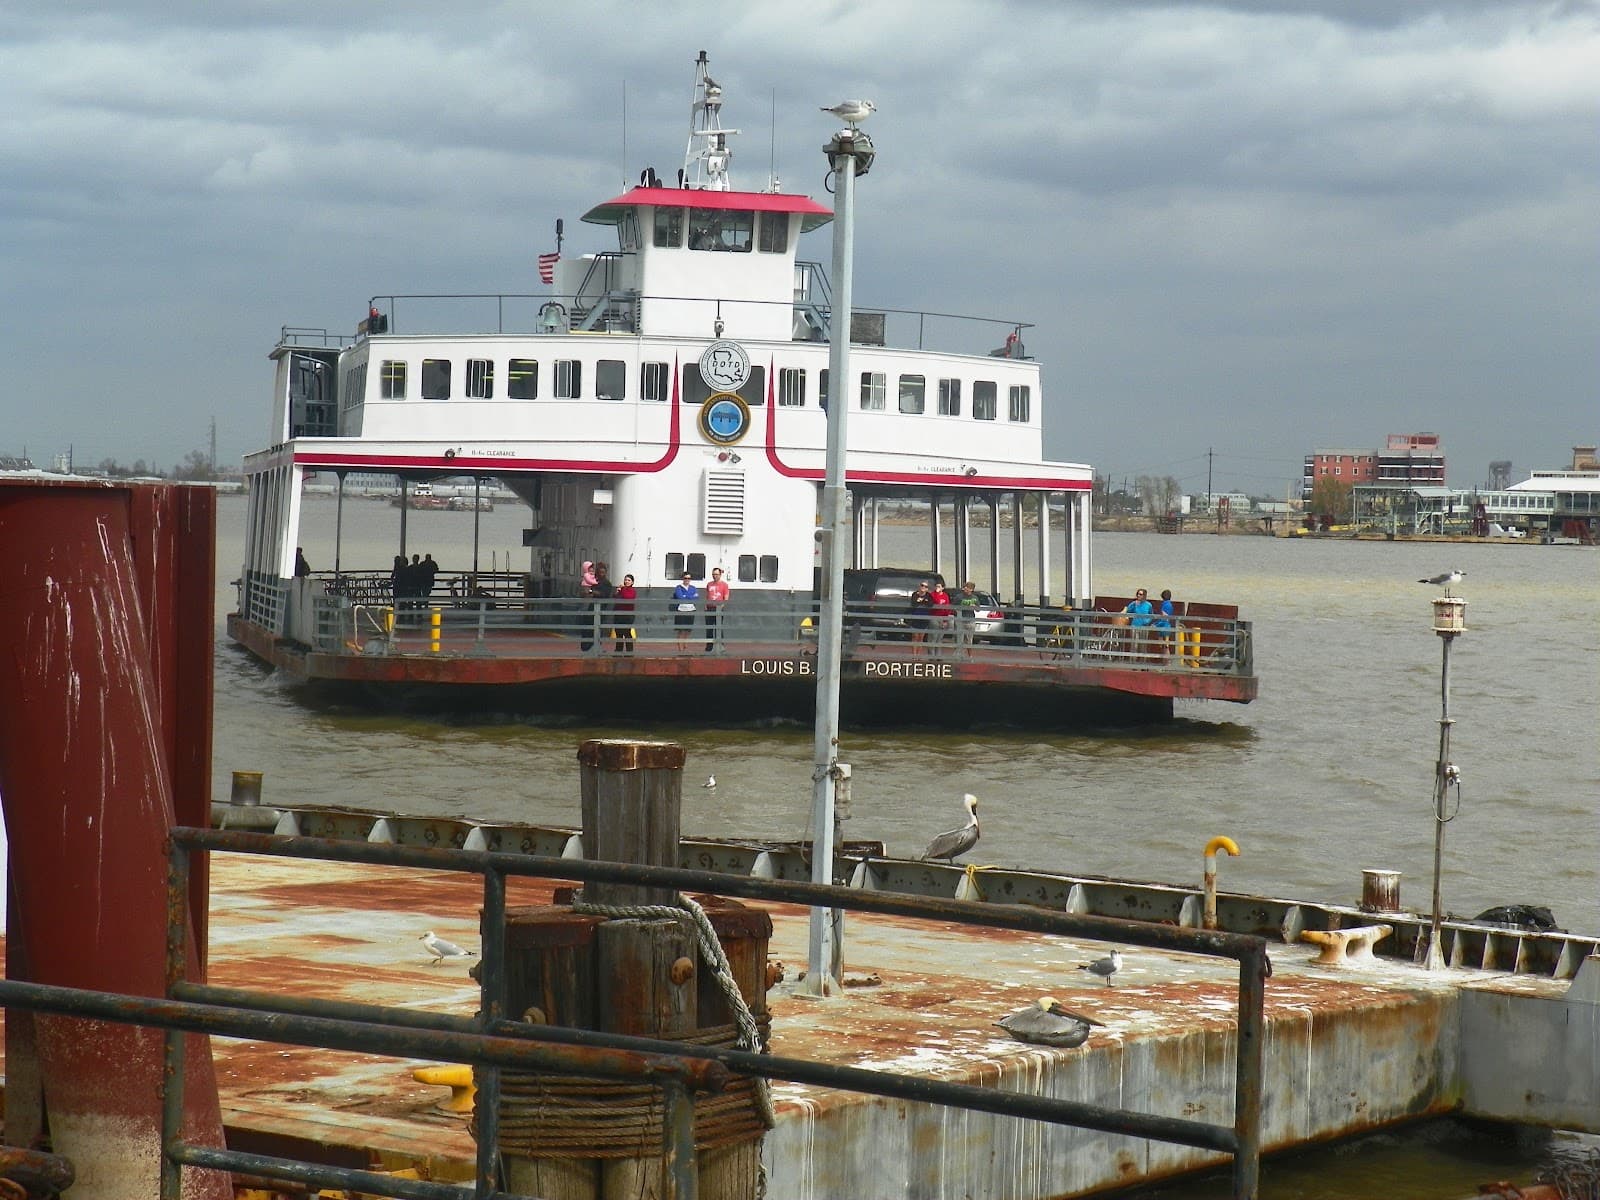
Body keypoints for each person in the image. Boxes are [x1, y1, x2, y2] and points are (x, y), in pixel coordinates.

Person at [583, 562, 615, 651]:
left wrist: (592, 592)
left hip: (601, 608)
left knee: (597, 627)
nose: (601, 574)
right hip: (593, 607)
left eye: (602, 572)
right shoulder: (594, 581)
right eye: (600, 572)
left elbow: (605, 594)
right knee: (591, 627)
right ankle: (590, 646)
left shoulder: (606, 583)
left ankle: (595, 646)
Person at [703, 566, 730, 652]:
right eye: (713, 574)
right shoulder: (709, 584)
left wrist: (721, 606)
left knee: (719, 628)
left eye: (716, 574)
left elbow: (726, 597)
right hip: (709, 608)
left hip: (718, 608)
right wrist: (705, 605)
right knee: (709, 628)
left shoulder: (724, 585)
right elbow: (707, 595)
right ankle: (709, 647)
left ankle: (721, 646)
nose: (715, 576)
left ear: (720, 574)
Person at [671, 572, 698, 651]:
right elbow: (680, 598)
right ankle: (680, 647)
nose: (687, 580)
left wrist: (686, 596)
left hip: (691, 610)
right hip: (681, 610)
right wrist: (690, 596)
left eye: (689, 578)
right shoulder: (678, 587)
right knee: (681, 630)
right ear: (683, 579)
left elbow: (696, 597)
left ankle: (685, 644)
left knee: (688, 630)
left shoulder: (693, 588)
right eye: (685, 578)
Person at [1122, 588, 1154, 656]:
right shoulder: (1134, 603)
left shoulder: (1149, 605)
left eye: (1141, 594)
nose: (1139, 596)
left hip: (1144, 627)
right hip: (1135, 626)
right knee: (1134, 645)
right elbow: (1128, 610)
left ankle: (1142, 661)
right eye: (1138, 594)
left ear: (1144, 596)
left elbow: (1151, 615)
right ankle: (1133, 660)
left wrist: (1147, 621)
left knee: (1143, 646)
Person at [955, 581, 981, 658]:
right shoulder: (959, 597)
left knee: (969, 640)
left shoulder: (975, 598)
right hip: (961, 620)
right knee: (960, 639)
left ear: (971, 589)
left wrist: (974, 607)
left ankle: (970, 656)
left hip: (971, 620)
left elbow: (978, 609)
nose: (966, 589)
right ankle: (959, 655)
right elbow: (953, 606)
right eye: (965, 587)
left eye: (968, 588)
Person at [907, 581, 934, 654]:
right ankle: (914, 655)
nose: (923, 587)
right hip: (915, 617)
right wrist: (922, 601)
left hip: (924, 618)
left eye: (925, 586)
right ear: (919, 586)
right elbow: (914, 603)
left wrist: (922, 601)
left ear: (927, 588)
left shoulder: (929, 595)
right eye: (922, 585)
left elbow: (930, 604)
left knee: (921, 637)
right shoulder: (915, 594)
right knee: (915, 636)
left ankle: (918, 654)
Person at [929, 580, 955, 654]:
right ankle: (931, 655)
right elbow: (936, 602)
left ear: (942, 588)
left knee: (939, 638)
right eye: (936, 586)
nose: (937, 588)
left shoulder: (945, 596)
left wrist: (945, 620)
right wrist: (937, 593)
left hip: (943, 618)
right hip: (934, 617)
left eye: (939, 586)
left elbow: (947, 608)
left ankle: (938, 655)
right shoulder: (932, 594)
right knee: (933, 637)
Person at [614, 573, 637, 653]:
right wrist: (616, 592)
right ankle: (618, 650)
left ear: (632, 582)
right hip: (618, 614)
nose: (626, 581)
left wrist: (622, 590)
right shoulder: (621, 589)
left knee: (627, 633)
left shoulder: (632, 591)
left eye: (629, 580)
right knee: (618, 633)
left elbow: (628, 598)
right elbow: (615, 598)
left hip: (627, 615)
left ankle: (629, 651)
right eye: (625, 579)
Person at [1153, 588, 1176, 657]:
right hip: (1167, 626)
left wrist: (1155, 624)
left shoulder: (1164, 605)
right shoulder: (1170, 605)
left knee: (1163, 646)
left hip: (1163, 626)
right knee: (1166, 645)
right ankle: (1166, 662)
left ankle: (1165, 662)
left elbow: (1163, 618)